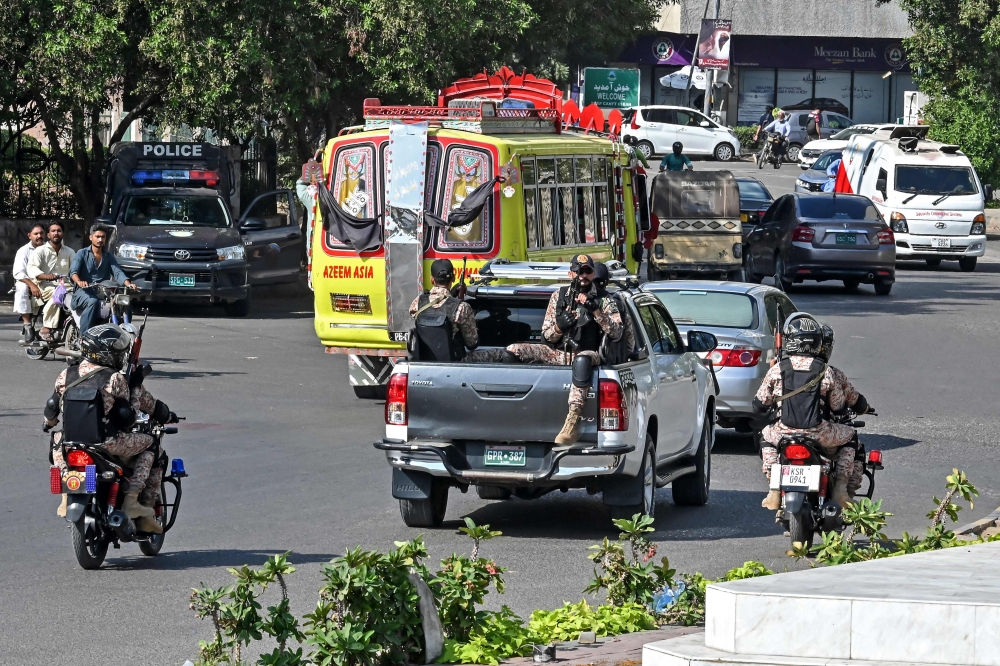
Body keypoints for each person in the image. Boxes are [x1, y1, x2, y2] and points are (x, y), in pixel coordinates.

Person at [44, 324, 176, 533]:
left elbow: (52, 407)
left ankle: (66, 495)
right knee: (152, 446)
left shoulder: (66, 374)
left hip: (70, 440)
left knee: (56, 440)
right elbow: (127, 419)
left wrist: (48, 424)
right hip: (107, 442)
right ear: (107, 354)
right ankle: (132, 501)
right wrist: (134, 388)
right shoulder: (115, 379)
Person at [752, 314, 871, 510]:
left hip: (784, 433)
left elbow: (759, 404)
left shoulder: (777, 370)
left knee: (765, 436)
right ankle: (841, 490)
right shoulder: (826, 371)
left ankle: (774, 490)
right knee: (851, 437)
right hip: (820, 434)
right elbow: (838, 407)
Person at [503, 254, 623, 445]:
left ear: (592, 274)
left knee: (582, 360)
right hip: (558, 353)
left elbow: (617, 333)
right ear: (570, 273)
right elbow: (547, 336)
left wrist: (596, 312)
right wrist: (559, 326)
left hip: (588, 354)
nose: (582, 276)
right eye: (578, 271)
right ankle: (508, 414)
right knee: (514, 349)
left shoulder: (604, 299)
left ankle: (572, 422)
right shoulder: (558, 296)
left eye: (587, 271)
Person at [70, 224, 137, 335]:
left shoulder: (108, 256)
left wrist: (128, 283)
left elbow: (117, 272)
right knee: (93, 301)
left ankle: (124, 334)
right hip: (83, 291)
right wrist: (79, 281)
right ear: (91, 237)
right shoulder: (81, 253)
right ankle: (84, 337)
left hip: (103, 291)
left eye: (103, 237)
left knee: (125, 301)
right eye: (98, 236)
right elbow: (73, 272)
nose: (100, 239)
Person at [408, 259, 479, 362]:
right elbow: (472, 344)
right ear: (454, 278)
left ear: (432, 280)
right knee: (503, 353)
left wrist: (451, 296)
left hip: (424, 361)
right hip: (456, 362)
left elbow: (435, 308)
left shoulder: (417, 303)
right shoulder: (462, 307)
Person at [26, 221, 76, 341]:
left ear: (63, 234)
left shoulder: (69, 251)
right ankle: (46, 327)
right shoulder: (40, 251)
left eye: (59, 231)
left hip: (67, 286)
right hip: (45, 287)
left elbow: (75, 269)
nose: (56, 233)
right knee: (59, 294)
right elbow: (31, 268)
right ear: (48, 234)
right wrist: (45, 276)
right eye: (53, 231)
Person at [12, 223, 46, 344]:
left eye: (41, 233)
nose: (39, 236)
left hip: (46, 281)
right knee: (21, 289)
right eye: (36, 234)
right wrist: (32, 285)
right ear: (29, 236)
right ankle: (27, 326)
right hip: (28, 281)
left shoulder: (49, 248)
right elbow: (18, 273)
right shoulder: (23, 251)